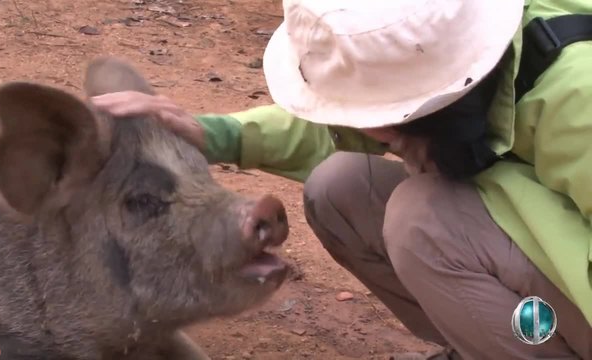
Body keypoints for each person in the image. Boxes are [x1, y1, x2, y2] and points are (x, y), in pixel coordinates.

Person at [90, 0, 592, 358]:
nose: (351, 125)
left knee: (424, 220)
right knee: (342, 186)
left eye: (364, 110)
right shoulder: (472, 53)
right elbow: (338, 135)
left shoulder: (579, 99)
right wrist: (211, 134)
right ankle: (485, 342)